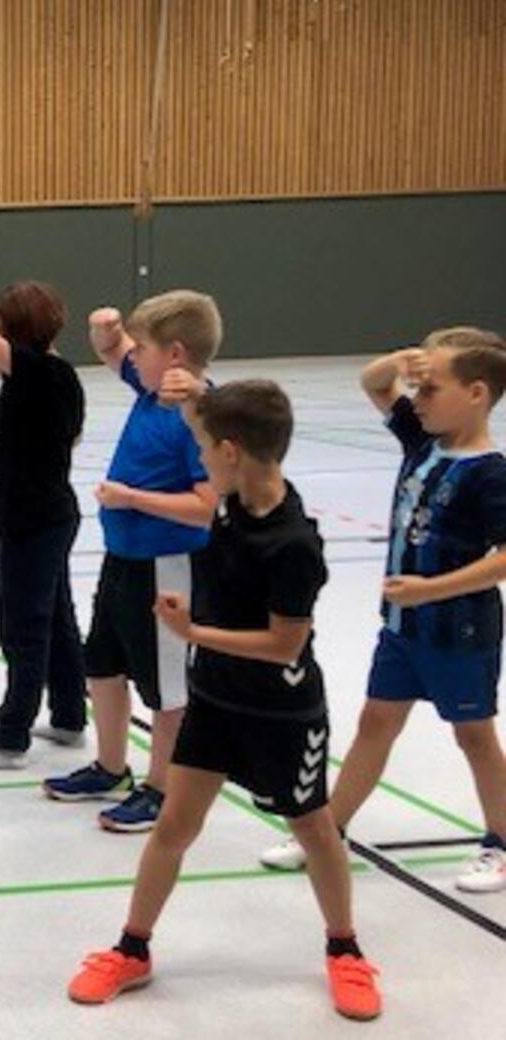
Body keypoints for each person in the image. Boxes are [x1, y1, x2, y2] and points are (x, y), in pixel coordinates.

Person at [67, 380, 381, 1023]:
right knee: (175, 827)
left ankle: (345, 948)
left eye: (205, 447)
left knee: (314, 828)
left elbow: (284, 644)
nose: (200, 459)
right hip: (215, 699)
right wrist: (191, 391)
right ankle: (133, 948)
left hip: (282, 711)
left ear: (233, 452)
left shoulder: (293, 543)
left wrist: (191, 633)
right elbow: (221, 418)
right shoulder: (233, 503)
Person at [257, 328, 506, 894]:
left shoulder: (490, 473)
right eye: (416, 388)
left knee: (474, 736)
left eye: (431, 388)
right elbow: (374, 383)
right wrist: (399, 362)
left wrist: (430, 588)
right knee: (375, 724)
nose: (416, 398)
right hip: (401, 631)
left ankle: (500, 840)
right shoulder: (422, 440)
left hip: (459, 633)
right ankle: (328, 829)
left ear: (476, 393)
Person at [43, 291, 222, 834]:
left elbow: (206, 507)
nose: (130, 356)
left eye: (140, 348)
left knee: (166, 689)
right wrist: (106, 327)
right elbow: (109, 348)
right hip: (123, 559)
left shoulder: (197, 415)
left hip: (166, 565)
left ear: (174, 354)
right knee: (102, 664)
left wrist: (132, 499)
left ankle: (162, 788)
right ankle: (110, 766)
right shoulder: (150, 388)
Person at [0, 283, 89, 770]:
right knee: (56, 621)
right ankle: (69, 717)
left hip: (33, 521)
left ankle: (10, 738)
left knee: (23, 628)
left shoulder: (38, 372)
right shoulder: (59, 376)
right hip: (48, 514)